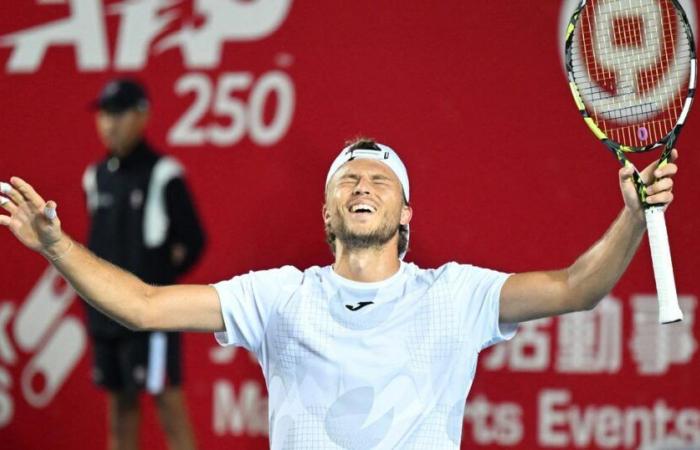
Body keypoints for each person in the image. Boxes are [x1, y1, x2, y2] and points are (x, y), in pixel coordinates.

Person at [0, 138, 678, 449]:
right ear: (327, 215)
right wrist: (59, 248)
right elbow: (145, 305)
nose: (361, 187)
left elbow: (576, 289)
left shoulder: (455, 296)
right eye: (347, 180)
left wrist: (630, 216)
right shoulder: (279, 299)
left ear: (406, 214)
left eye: (380, 181)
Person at [83, 78, 204, 450]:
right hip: (106, 315)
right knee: (119, 412)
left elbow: (193, 241)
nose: (109, 124)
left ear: (142, 115)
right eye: (104, 114)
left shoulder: (164, 174)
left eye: (118, 114)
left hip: (152, 319)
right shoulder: (96, 177)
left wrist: (157, 284)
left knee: (168, 405)